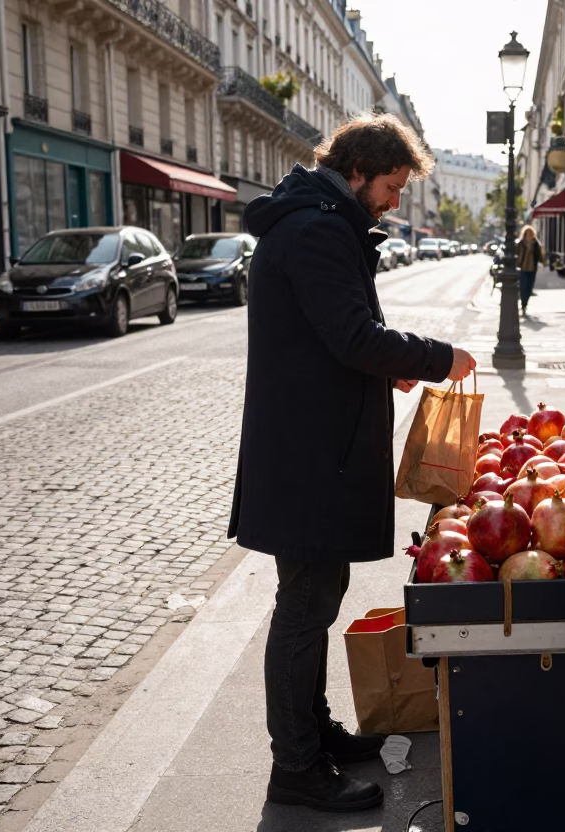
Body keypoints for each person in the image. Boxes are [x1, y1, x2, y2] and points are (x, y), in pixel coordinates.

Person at [228, 113, 477, 813]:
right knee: (305, 609)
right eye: (393, 186)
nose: (397, 200)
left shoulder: (319, 223)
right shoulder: (315, 231)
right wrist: (431, 359)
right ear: (359, 170)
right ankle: (297, 768)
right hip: (310, 455)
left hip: (312, 446)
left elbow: (333, 341)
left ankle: (315, 734)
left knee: (316, 600)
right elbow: (351, 336)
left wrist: (379, 370)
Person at [516, 224, 544, 315]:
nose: (529, 235)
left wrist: (544, 261)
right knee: (523, 287)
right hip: (523, 268)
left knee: (529, 287)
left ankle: (525, 303)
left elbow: (540, 255)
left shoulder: (536, 244)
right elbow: (517, 253)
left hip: (532, 268)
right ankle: (523, 304)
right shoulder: (521, 243)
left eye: (530, 233)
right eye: (527, 233)